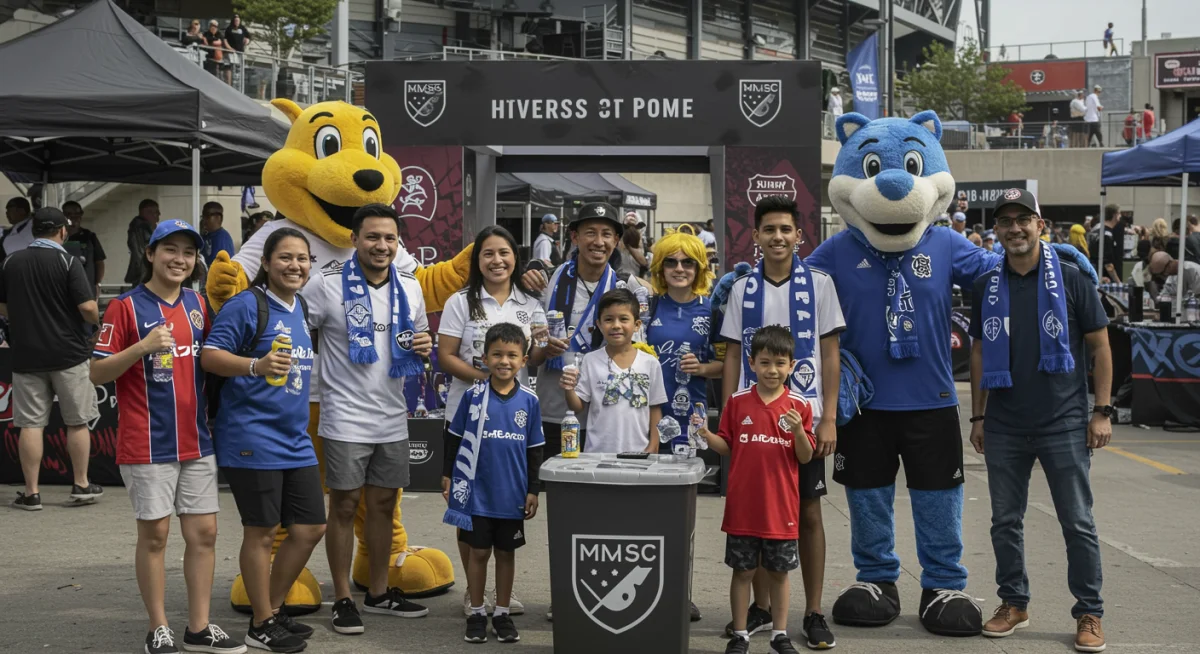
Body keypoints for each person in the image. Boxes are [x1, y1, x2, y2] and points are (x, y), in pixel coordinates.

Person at [91, 219, 245, 654]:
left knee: (205, 535)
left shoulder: (199, 302)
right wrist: (141, 347)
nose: (180, 259)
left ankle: (199, 627)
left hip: (197, 440)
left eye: (188, 253)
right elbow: (96, 371)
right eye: (170, 250)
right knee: (155, 536)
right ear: (151, 254)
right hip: (146, 442)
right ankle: (158, 627)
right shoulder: (124, 306)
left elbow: (215, 358)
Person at [967, 188, 1112, 653]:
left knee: (1077, 523)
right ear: (997, 231)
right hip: (1006, 423)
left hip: (1065, 422)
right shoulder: (988, 284)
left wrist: (1102, 411)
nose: (1014, 228)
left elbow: (1101, 344)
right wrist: (978, 415)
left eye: (1022, 219)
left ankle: (1089, 611)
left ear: (1040, 225)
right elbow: (977, 349)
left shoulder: (1071, 279)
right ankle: (1014, 603)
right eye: (1005, 221)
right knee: (1005, 521)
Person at [719, 195, 843, 650]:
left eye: (785, 230)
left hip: (801, 417)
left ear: (799, 235)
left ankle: (812, 612)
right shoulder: (741, 288)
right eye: (768, 229)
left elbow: (831, 353)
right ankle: (763, 610)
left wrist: (828, 416)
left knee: (807, 513)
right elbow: (733, 353)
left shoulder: (821, 285)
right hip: (752, 418)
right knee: (754, 518)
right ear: (755, 236)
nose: (777, 237)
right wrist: (727, 413)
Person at [302, 203, 431, 635]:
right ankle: (342, 598)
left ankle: (376, 593)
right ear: (354, 239)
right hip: (343, 415)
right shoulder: (325, 283)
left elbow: (417, 337)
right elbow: (299, 331)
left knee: (382, 505)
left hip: (392, 414)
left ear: (398, 242)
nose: (381, 245)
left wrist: (424, 345)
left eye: (390, 238)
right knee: (342, 506)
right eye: (373, 237)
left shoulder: (410, 287)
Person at [201, 227, 324, 653]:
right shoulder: (246, 305)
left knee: (310, 527)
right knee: (261, 531)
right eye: (286, 258)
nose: (295, 265)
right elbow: (210, 356)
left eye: (302, 259)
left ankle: (269, 609)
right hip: (251, 435)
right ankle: (262, 622)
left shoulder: (300, 305)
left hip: (294, 438)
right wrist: (257, 365)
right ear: (267, 263)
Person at [437, 225, 544, 617]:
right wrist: (491, 382)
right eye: (488, 254)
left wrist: (545, 351)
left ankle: (499, 595)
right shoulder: (460, 302)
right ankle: (473, 592)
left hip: (514, 420)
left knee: (503, 507)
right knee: (469, 506)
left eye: (504, 253)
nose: (497, 260)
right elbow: (446, 356)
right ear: (476, 260)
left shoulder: (530, 303)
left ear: (515, 257)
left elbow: (531, 358)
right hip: (468, 416)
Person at [526, 202, 623, 622]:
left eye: (607, 234)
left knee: (604, 511)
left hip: (604, 418)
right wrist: (543, 349)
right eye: (590, 232)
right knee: (564, 511)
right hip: (554, 413)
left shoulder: (627, 288)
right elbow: (525, 353)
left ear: (616, 241)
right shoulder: (547, 282)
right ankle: (565, 592)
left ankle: (603, 587)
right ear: (573, 238)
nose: (598, 241)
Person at [699, 325, 817, 654]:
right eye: (765, 362)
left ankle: (780, 633)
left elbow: (805, 456)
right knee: (743, 571)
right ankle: (740, 634)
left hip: (780, 509)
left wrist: (796, 431)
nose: (772, 370)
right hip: (742, 508)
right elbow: (727, 446)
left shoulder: (799, 406)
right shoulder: (737, 402)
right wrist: (706, 436)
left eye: (780, 363)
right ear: (752, 364)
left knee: (779, 573)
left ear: (791, 366)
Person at [625, 231, 717, 621]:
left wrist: (705, 367)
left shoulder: (711, 309)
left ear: (699, 267)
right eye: (671, 262)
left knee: (682, 513)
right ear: (659, 266)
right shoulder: (646, 307)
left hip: (688, 421)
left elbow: (728, 363)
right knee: (641, 509)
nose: (679, 269)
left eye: (688, 262)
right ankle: (642, 589)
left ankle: (681, 591)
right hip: (640, 416)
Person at [442, 323, 544, 645]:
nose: (504, 361)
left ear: (523, 360)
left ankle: (501, 613)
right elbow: (453, 438)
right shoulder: (473, 397)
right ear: (484, 358)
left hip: (511, 495)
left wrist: (533, 489)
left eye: (512, 355)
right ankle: (476, 611)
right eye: (497, 354)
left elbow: (535, 450)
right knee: (478, 552)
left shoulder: (529, 401)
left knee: (506, 554)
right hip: (477, 493)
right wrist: (447, 476)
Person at [0, 207, 102, 511]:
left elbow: (2, 306)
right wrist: (95, 323)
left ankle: (31, 493)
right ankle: (81, 484)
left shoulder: (10, 262)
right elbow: (87, 307)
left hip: (27, 354)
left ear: (34, 232)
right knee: (77, 422)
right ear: (62, 231)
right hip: (69, 353)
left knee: (31, 424)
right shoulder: (67, 261)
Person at [560, 288, 667, 452]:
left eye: (624, 319)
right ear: (599, 325)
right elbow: (577, 406)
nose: (616, 325)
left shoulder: (650, 363)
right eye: (609, 319)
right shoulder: (590, 360)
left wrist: (653, 446)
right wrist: (569, 389)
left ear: (637, 324)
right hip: (597, 454)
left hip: (639, 453)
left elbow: (655, 408)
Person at [63, 201, 107, 298]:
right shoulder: (58, 237)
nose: (73, 218)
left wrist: (98, 284)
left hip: (86, 289)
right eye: (69, 214)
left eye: (77, 214)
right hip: (62, 289)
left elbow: (99, 262)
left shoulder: (90, 237)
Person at [125, 199, 161, 285]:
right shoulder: (141, 227)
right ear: (146, 212)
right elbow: (141, 251)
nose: (158, 215)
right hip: (144, 272)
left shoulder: (140, 227)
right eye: (155, 212)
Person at [1088, 204, 1123, 282]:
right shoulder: (1107, 235)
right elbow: (1108, 263)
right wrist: (1118, 282)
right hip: (1104, 278)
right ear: (1115, 215)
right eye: (1119, 213)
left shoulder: (1095, 230)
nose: (1120, 216)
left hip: (1094, 274)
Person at [200, 201, 235, 268]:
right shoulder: (206, 236)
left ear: (219, 217)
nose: (204, 220)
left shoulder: (223, 238)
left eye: (207, 216)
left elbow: (224, 267)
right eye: (203, 217)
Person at [617, 211, 649, 280]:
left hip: (637, 281)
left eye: (635, 227)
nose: (631, 230)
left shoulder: (645, 249)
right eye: (627, 227)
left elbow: (645, 264)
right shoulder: (616, 244)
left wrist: (629, 246)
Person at [223, 14, 251, 84]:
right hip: (231, 52)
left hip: (240, 52)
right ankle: (228, 84)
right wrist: (229, 48)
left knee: (238, 70)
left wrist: (247, 41)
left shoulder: (242, 28)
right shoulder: (229, 29)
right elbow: (225, 40)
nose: (237, 22)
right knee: (229, 68)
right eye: (235, 20)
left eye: (238, 20)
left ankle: (237, 85)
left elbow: (248, 37)